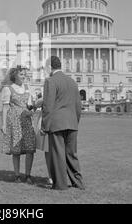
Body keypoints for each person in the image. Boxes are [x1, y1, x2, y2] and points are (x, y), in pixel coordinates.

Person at [41, 56, 85, 190]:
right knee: (72, 154)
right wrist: (75, 122)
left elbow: (48, 106)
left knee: (58, 154)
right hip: (72, 123)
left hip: (57, 123)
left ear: (50, 67)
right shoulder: (72, 82)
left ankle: (60, 184)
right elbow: (78, 106)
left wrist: (44, 126)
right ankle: (78, 183)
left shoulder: (50, 81)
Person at [1, 66, 36, 184]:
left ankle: (28, 175)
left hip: (26, 120)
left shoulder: (27, 88)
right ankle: (17, 175)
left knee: (30, 148)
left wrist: (32, 110)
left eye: (24, 74)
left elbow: (30, 104)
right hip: (14, 120)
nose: (24, 76)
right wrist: (4, 124)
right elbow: (5, 107)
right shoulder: (8, 89)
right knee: (16, 150)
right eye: (21, 74)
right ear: (15, 75)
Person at [32, 89, 53, 187]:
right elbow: (37, 103)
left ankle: (52, 176)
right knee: (49, 151)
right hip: (48, 126)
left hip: (48, 125)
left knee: (49, 152)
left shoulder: (48, 95)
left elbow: (37, 103)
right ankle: (52, 176)